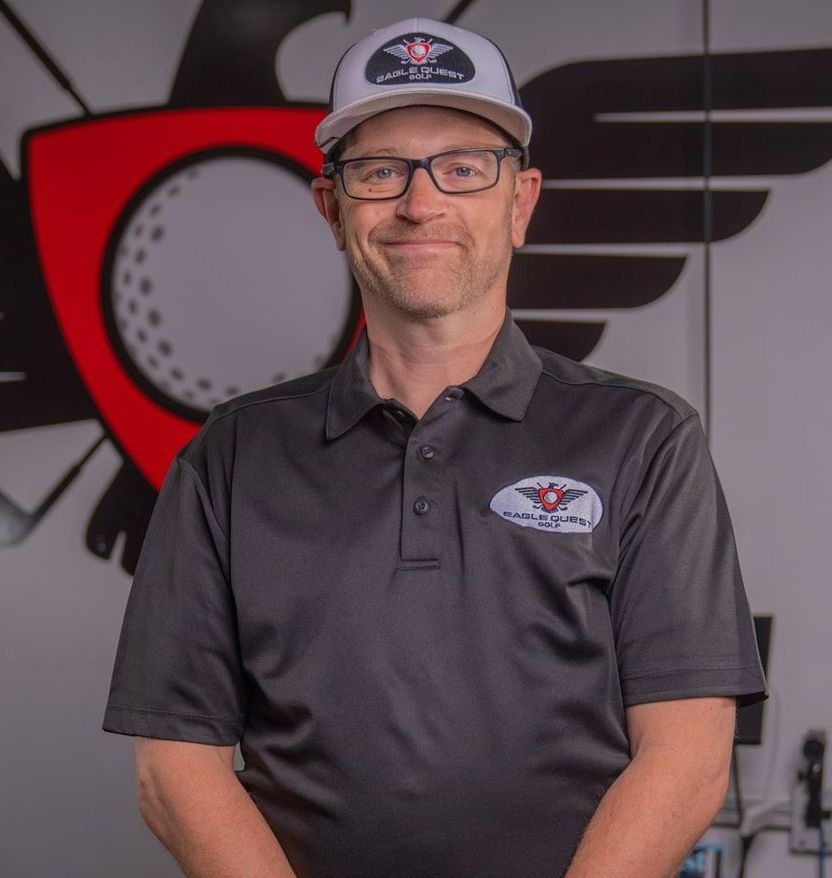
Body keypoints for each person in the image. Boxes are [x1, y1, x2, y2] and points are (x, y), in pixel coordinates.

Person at [102, 16, 768, 878]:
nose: (421, 204)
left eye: (462, 168)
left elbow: (685, 760)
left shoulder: (644, 440)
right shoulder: (229, 459)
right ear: (332, 209)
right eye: (380, 172)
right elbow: (173, 767)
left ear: (520, 202)